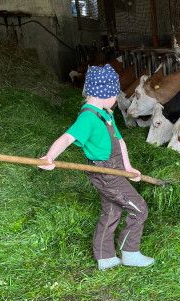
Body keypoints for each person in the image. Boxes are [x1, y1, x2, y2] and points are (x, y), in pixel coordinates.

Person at [39, 64, 154, 270]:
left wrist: (129, 167)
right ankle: (130, 253)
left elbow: (120, 142)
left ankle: (105, 257)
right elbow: (67, 138)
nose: (115, 99)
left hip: (115, 169)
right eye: (114, 95)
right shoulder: (88, 118)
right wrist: (49, 157)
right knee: (139, 209)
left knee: (112, 210)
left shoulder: (105, 114)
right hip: (105, 172)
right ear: (104, 93)